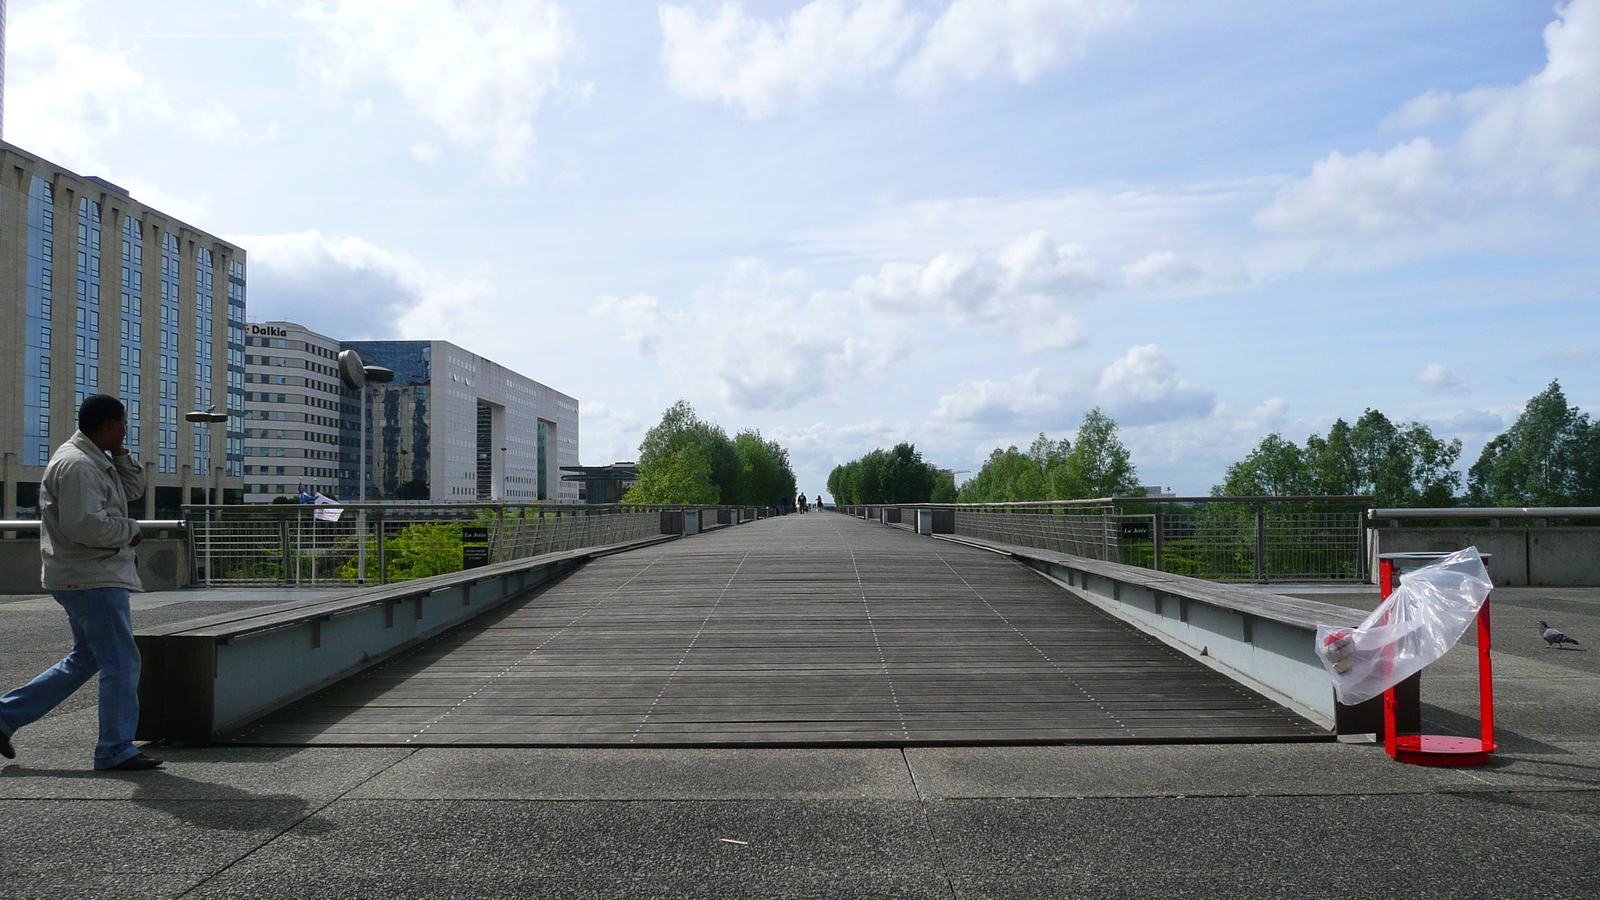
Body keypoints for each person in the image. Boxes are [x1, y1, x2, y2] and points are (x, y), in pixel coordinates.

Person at [0, 395, 163, 771]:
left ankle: (6, 716)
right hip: (91, 576)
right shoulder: (78, 466)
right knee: (121, 662)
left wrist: (121, 454)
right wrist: (131, 531)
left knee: (87, 658)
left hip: (85, 574)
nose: (126, 430)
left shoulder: (94, 458)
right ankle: (114, 749)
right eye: (123, 424)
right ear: (108, 424)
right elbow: (84, 525)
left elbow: (133, 490)